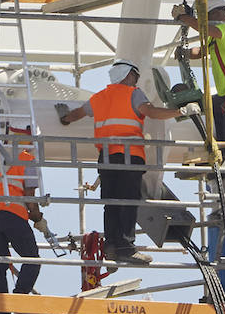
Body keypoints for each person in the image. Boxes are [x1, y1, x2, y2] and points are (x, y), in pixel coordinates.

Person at [57, 59, 196, 265]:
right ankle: (126, 248)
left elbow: (75, 115)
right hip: (129, 156)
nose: (137, 81)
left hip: (106, 158)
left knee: (111, 203)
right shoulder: (133, 94)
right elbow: (152, 112)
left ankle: (111, 246)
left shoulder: (99, 98)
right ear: (128, 74)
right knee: (129, 202)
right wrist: (180, 111)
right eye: (136, 76)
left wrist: (64, 117)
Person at [171, 0, 225, 191]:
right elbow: (204, 50)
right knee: (221, 136)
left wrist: (184, 18)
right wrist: (186, 54)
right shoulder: (219, 37)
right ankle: (220, 169)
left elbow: (206, 30)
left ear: (214, 14)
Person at [0, 124, 46, 298]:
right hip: (13, 213)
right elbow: (29, 195)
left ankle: (0, 306)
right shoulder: (26, 159)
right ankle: (19, 297)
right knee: (32, 259)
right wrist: (37, 217)